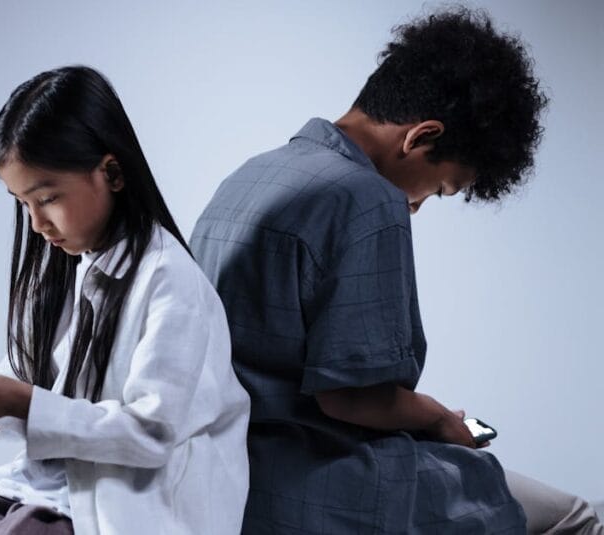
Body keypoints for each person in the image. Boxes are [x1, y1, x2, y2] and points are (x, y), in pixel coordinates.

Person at [190, 7, 601, 534]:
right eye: (440, 188)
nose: (421, 204)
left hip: (223, 473)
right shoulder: (364, 198)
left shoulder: (252, 174)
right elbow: (349, 396)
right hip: (310, 483)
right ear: (421, 137)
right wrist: (436, 417)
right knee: (578, 516)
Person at [0, 66, 250, 535]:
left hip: (114, 509)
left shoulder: (170, 280)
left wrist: (19, 400)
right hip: (43, 493)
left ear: (111, 172)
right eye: (22, 203)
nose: (37, 223)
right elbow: (21, 390)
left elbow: (149, 433)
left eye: (48, 197)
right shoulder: (71, 273)